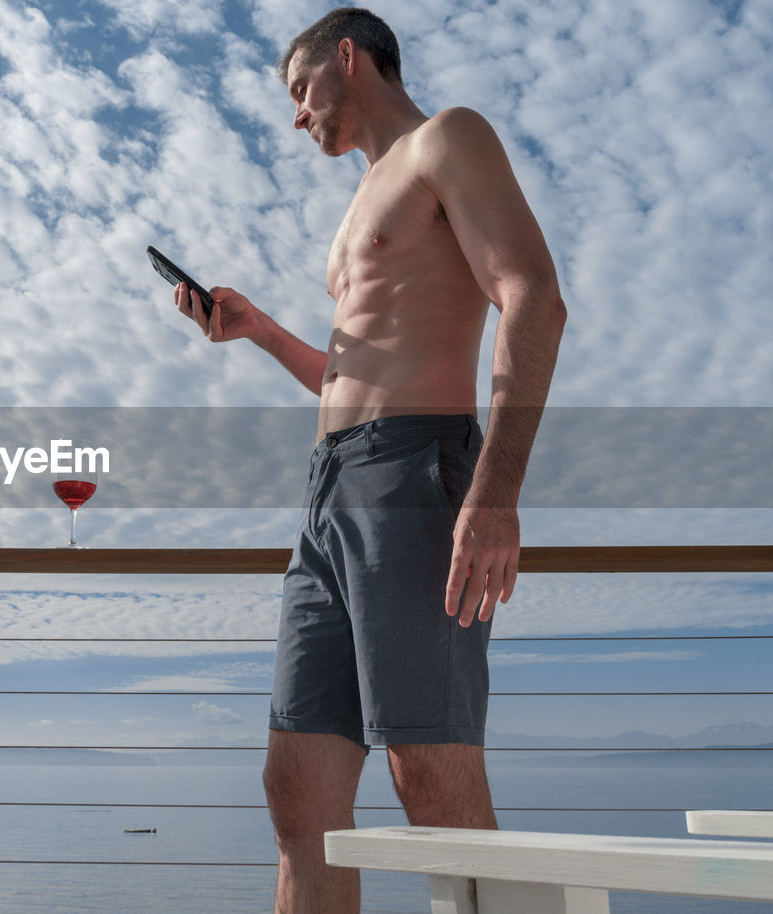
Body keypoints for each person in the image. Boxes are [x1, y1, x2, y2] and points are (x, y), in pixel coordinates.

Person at [173, 8, 566, 913]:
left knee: (428, 772)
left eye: (301, 90)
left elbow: (533, 297)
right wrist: (262, 330)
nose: (297, 116)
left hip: (415, 474)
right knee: (297, 792)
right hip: (327, 494)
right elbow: (348, 377)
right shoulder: (358, 206)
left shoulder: (446, 140)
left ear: (347, 58)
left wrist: (497, 494)